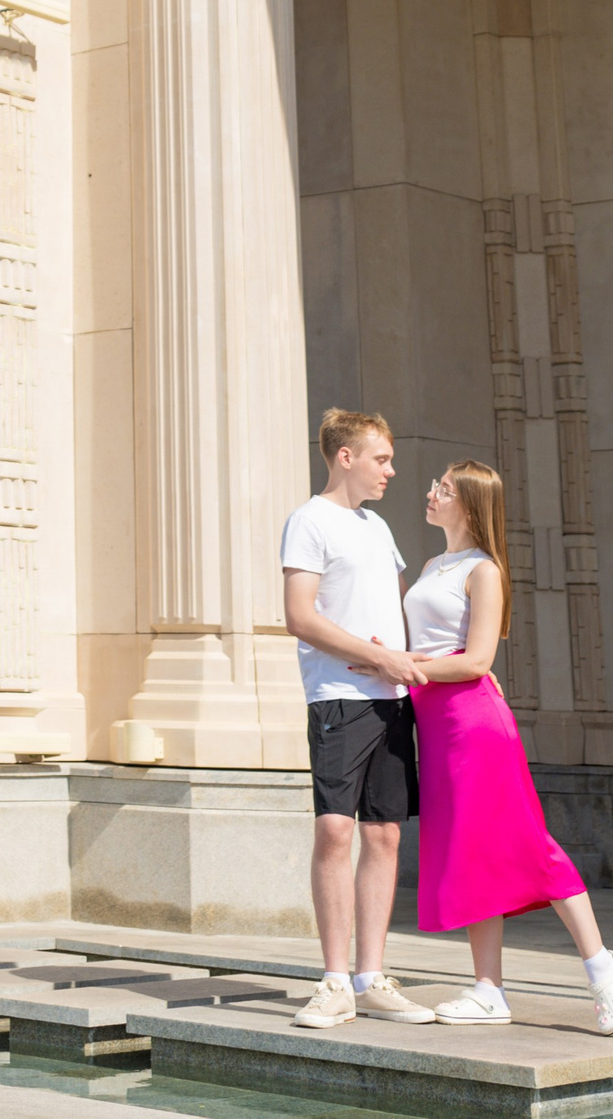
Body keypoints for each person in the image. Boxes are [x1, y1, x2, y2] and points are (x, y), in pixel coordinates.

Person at [404, 462, 613, 1033]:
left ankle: (603, 968)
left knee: (531, 846)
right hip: (435, 727)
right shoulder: (434, 564)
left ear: (470, 505)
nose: (431, 492)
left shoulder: (484, 570)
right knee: (468, 851)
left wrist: (405, 665)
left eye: (445, 489)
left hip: (474, 726)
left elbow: (479, 660)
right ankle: (489, 990)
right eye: (436, 485)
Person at [279, 408, 433, 1029]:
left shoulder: (378, 527)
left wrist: (453, 666)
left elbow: (400, 617)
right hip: (337, 699)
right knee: (335, 833)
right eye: (381, 459)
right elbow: (300, 616)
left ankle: (372, 977)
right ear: (346, 457)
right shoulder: (308, 522)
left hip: (391, 703)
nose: (391, 470)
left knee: (386, 834)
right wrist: (377, 657)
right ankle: (335, 980)